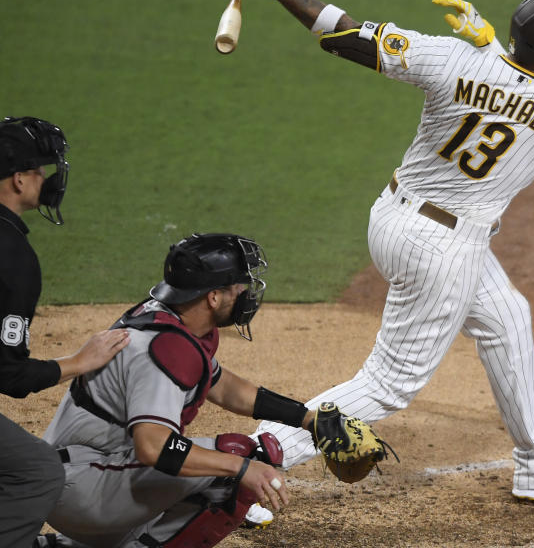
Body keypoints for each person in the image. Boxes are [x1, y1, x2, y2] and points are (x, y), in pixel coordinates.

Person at [229, 0, 534, 505]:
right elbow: (517, 91)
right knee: (389, 384)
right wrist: (489, 50)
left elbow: (344, 36)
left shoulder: (451, 59)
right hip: (445, 247)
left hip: (393, 219)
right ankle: (241, 465)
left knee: (508, 318)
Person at [39, 233, 361, 547]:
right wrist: (242, 468)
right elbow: (153, 448)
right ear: (214, 296)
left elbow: (226, 389)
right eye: (238, 287)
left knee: (229, 461)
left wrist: (308, 419)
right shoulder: (166, 349)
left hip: (82, 475)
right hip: (83, 489)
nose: (246, 294)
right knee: (237, 460)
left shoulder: (170, 321)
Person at [0, 116, 130, 548]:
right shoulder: (13, 256)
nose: (48, 180)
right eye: (41, 171)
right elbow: (10, 376)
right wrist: (79, 361)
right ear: (19, 180)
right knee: (38, 469)